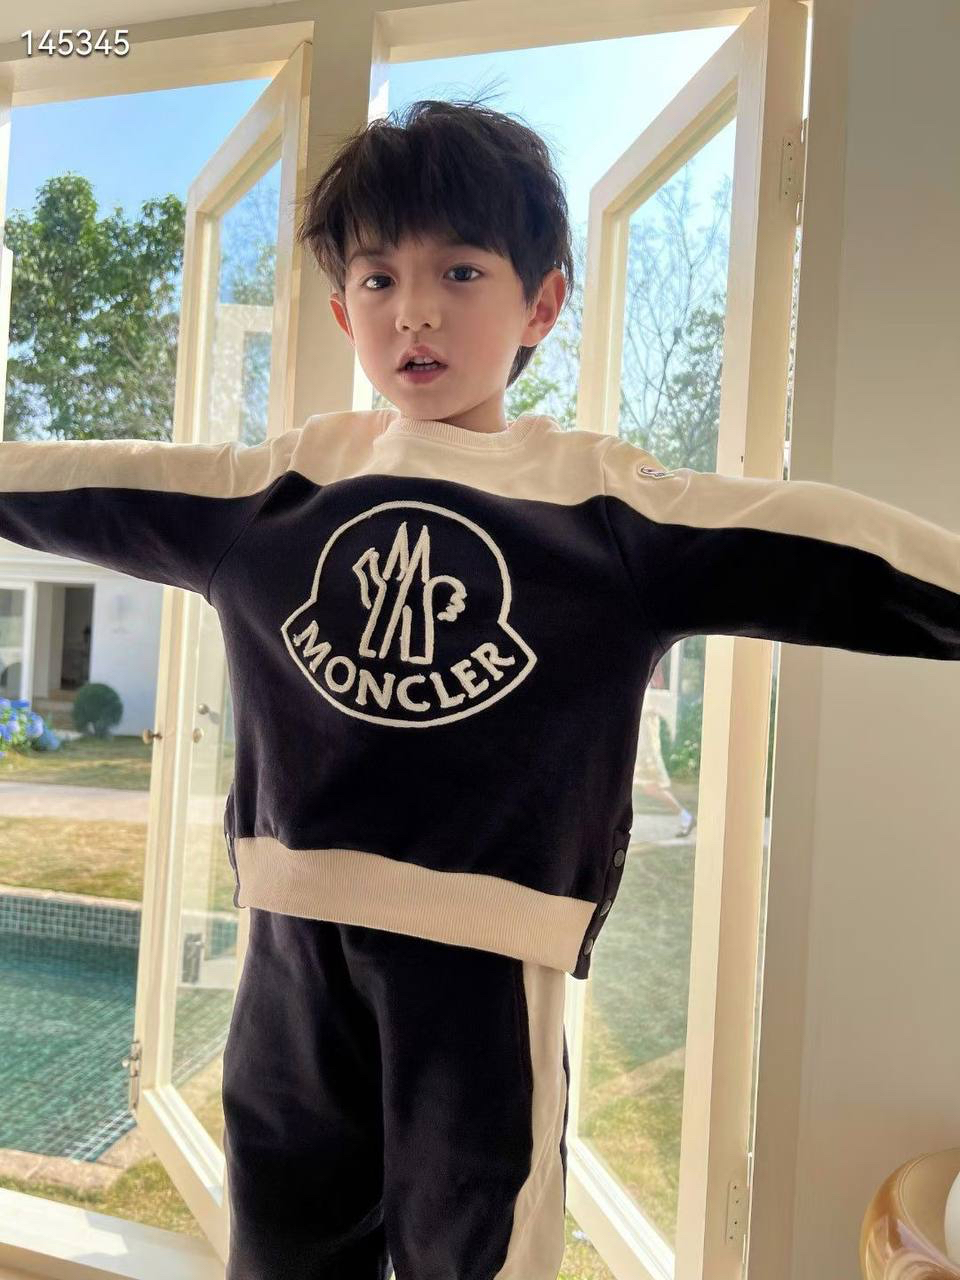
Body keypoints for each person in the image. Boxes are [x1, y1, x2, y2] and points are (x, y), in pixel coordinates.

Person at [1, 94, 958, 1280]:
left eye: (460, 271)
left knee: (478, 1250)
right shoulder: (280, 487)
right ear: (343, 310)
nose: (415, 310)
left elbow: (817, 543)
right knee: (284, 1237)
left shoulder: (600, 506)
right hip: (291, 949)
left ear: (540, 304)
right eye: (377, 277)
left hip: (485, 969)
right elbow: (87, 477)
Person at [632, 657, 696, 838]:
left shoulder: (650, 691)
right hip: (643, 746)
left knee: (650, 787)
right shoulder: (649, 688)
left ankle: (685, 816)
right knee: (645, 787)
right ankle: (685, 817)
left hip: (645, 749)